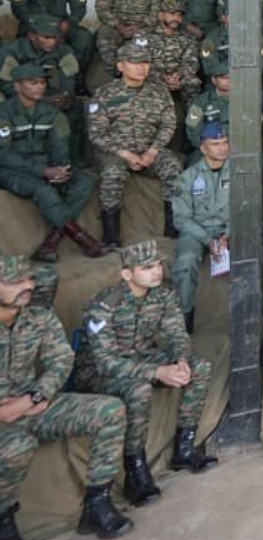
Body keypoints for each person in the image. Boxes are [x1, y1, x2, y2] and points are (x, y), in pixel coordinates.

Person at [0, 253, 133, 540]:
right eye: (16, 282)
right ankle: (4, 524)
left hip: (34, 405)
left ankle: (97, 503)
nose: (28, 286)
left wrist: (37, 395)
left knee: (110, 411)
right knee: (17, 447)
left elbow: (61, 360)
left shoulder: (37, 317)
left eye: (29, 279)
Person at [76, 241, 217, 507]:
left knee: (200, 368)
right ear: (127, 274)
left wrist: (180, 360)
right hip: (99, 372)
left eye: (158, 265)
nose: (157, 272)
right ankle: (135, 471)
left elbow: (177, 334)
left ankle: (185, 449)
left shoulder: (162, 295)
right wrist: (158, 372)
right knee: (138, 389)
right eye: (147, 267)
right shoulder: (104, 306)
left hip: (142, 358)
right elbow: (106, 362)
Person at [88, 38, 184, 248]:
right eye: (135, 62)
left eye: (146, 63)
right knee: (113, 174)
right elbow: (97, 133)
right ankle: (111, 236)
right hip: (116, 153)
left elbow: (168, 125)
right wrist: (126, 154)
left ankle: (173, 227)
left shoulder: (159, 92)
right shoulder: (105, 94)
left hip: (150, 150)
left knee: (173, 167)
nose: (142, 68)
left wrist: (152, 151)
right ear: (121, 66)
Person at [0, 63, 99, 262]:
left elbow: (60, 146)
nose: (40, 87)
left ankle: (51, 242)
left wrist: (60, 170)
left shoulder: (52, 113)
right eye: (33, 82)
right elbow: (3, 154)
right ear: (18, 87)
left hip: (46, 167)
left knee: (84, 183)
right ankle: (82, 239)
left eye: (42, 82)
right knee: (43, 191)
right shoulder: (4, 113)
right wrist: (43, 171)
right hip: (11, 170)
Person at [171, 122, 231, 325]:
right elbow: (181, 219)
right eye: (215, 143)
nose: (222, 147)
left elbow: (245, 207)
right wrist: (207, 240)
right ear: (203, 148)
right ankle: (184, 319)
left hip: (230, 229)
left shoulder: (239, 172)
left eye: (224, 142)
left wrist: (228, 234)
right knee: (186, 262)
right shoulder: (187, 177)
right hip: (197, 232)